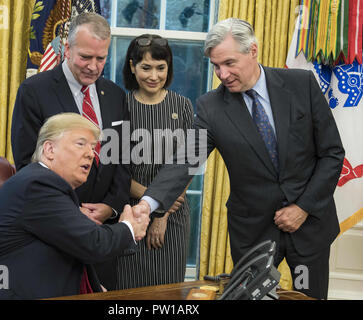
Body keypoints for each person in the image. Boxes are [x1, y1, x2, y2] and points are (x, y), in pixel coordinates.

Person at [133, 18, 345, 299]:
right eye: (216, 66)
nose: (223, 73)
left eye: (230, 63)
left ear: (253, 51)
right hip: (254, 232)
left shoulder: (301, 84)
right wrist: (147, 205)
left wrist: (303, 207)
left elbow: (332, 154)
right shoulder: (210, 107)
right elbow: (185, 161)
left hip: (309, 225)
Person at [0, 113, 149, 300]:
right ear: (50, 149)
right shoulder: (37, 185)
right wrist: (129, 226)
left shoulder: (50, 190)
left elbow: (75, 250)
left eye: (93, 148)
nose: (91, 154)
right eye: (81, 144)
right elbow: (94, 244)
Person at [11, 12, 130, 290]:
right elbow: (28, 162)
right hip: (53, 232)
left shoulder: (115, 95)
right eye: (85, 57)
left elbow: (121, 159)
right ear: (67, 49)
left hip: (102, 234)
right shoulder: (34, 91)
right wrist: (68, 209)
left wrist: (110, 207)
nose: (93, 66)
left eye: (101, 58)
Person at [115, 34, 194, 289]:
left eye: (161, 68)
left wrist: (162, 213)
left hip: (173, 217)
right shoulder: (119, 106)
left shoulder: (183, 106)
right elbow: (115, 170)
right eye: (145, 67)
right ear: (132, 66)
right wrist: (152, 207)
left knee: (166, 291)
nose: (153, 76)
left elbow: (190, 164)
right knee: (128, 290)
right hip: (130, 213)